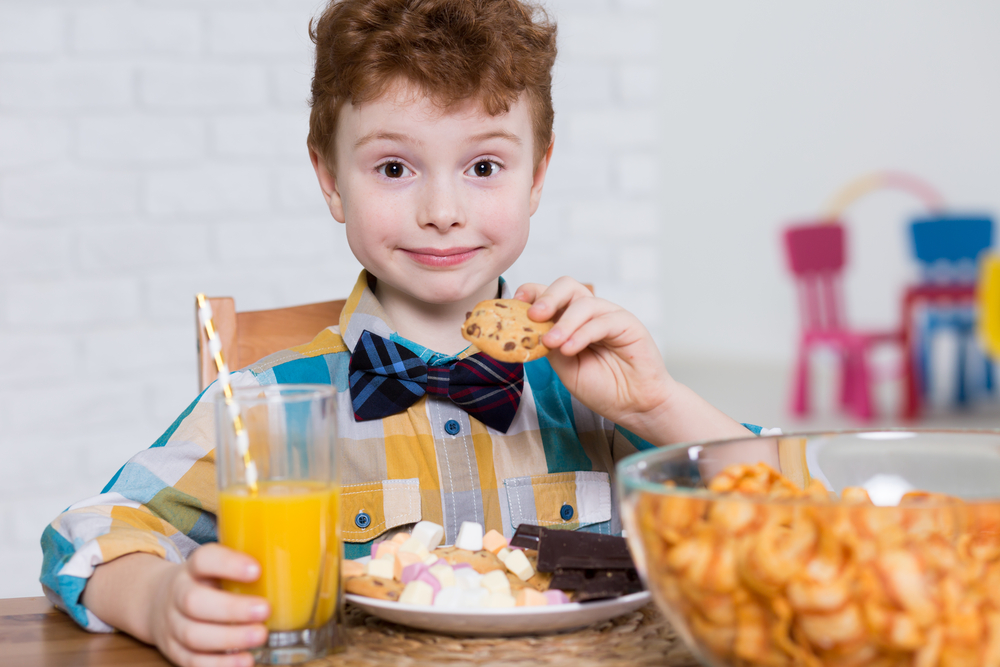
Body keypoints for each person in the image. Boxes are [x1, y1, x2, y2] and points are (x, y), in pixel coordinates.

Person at [39, 0, 759, 664]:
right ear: (330, 180)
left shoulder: (598, 392)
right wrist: (160, 599)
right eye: (394, 166)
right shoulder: (269, 407)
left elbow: (795, 517)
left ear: (537, 176)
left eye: (483, 165)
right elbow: (93, 530)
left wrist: (657, 402)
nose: (442, 210)